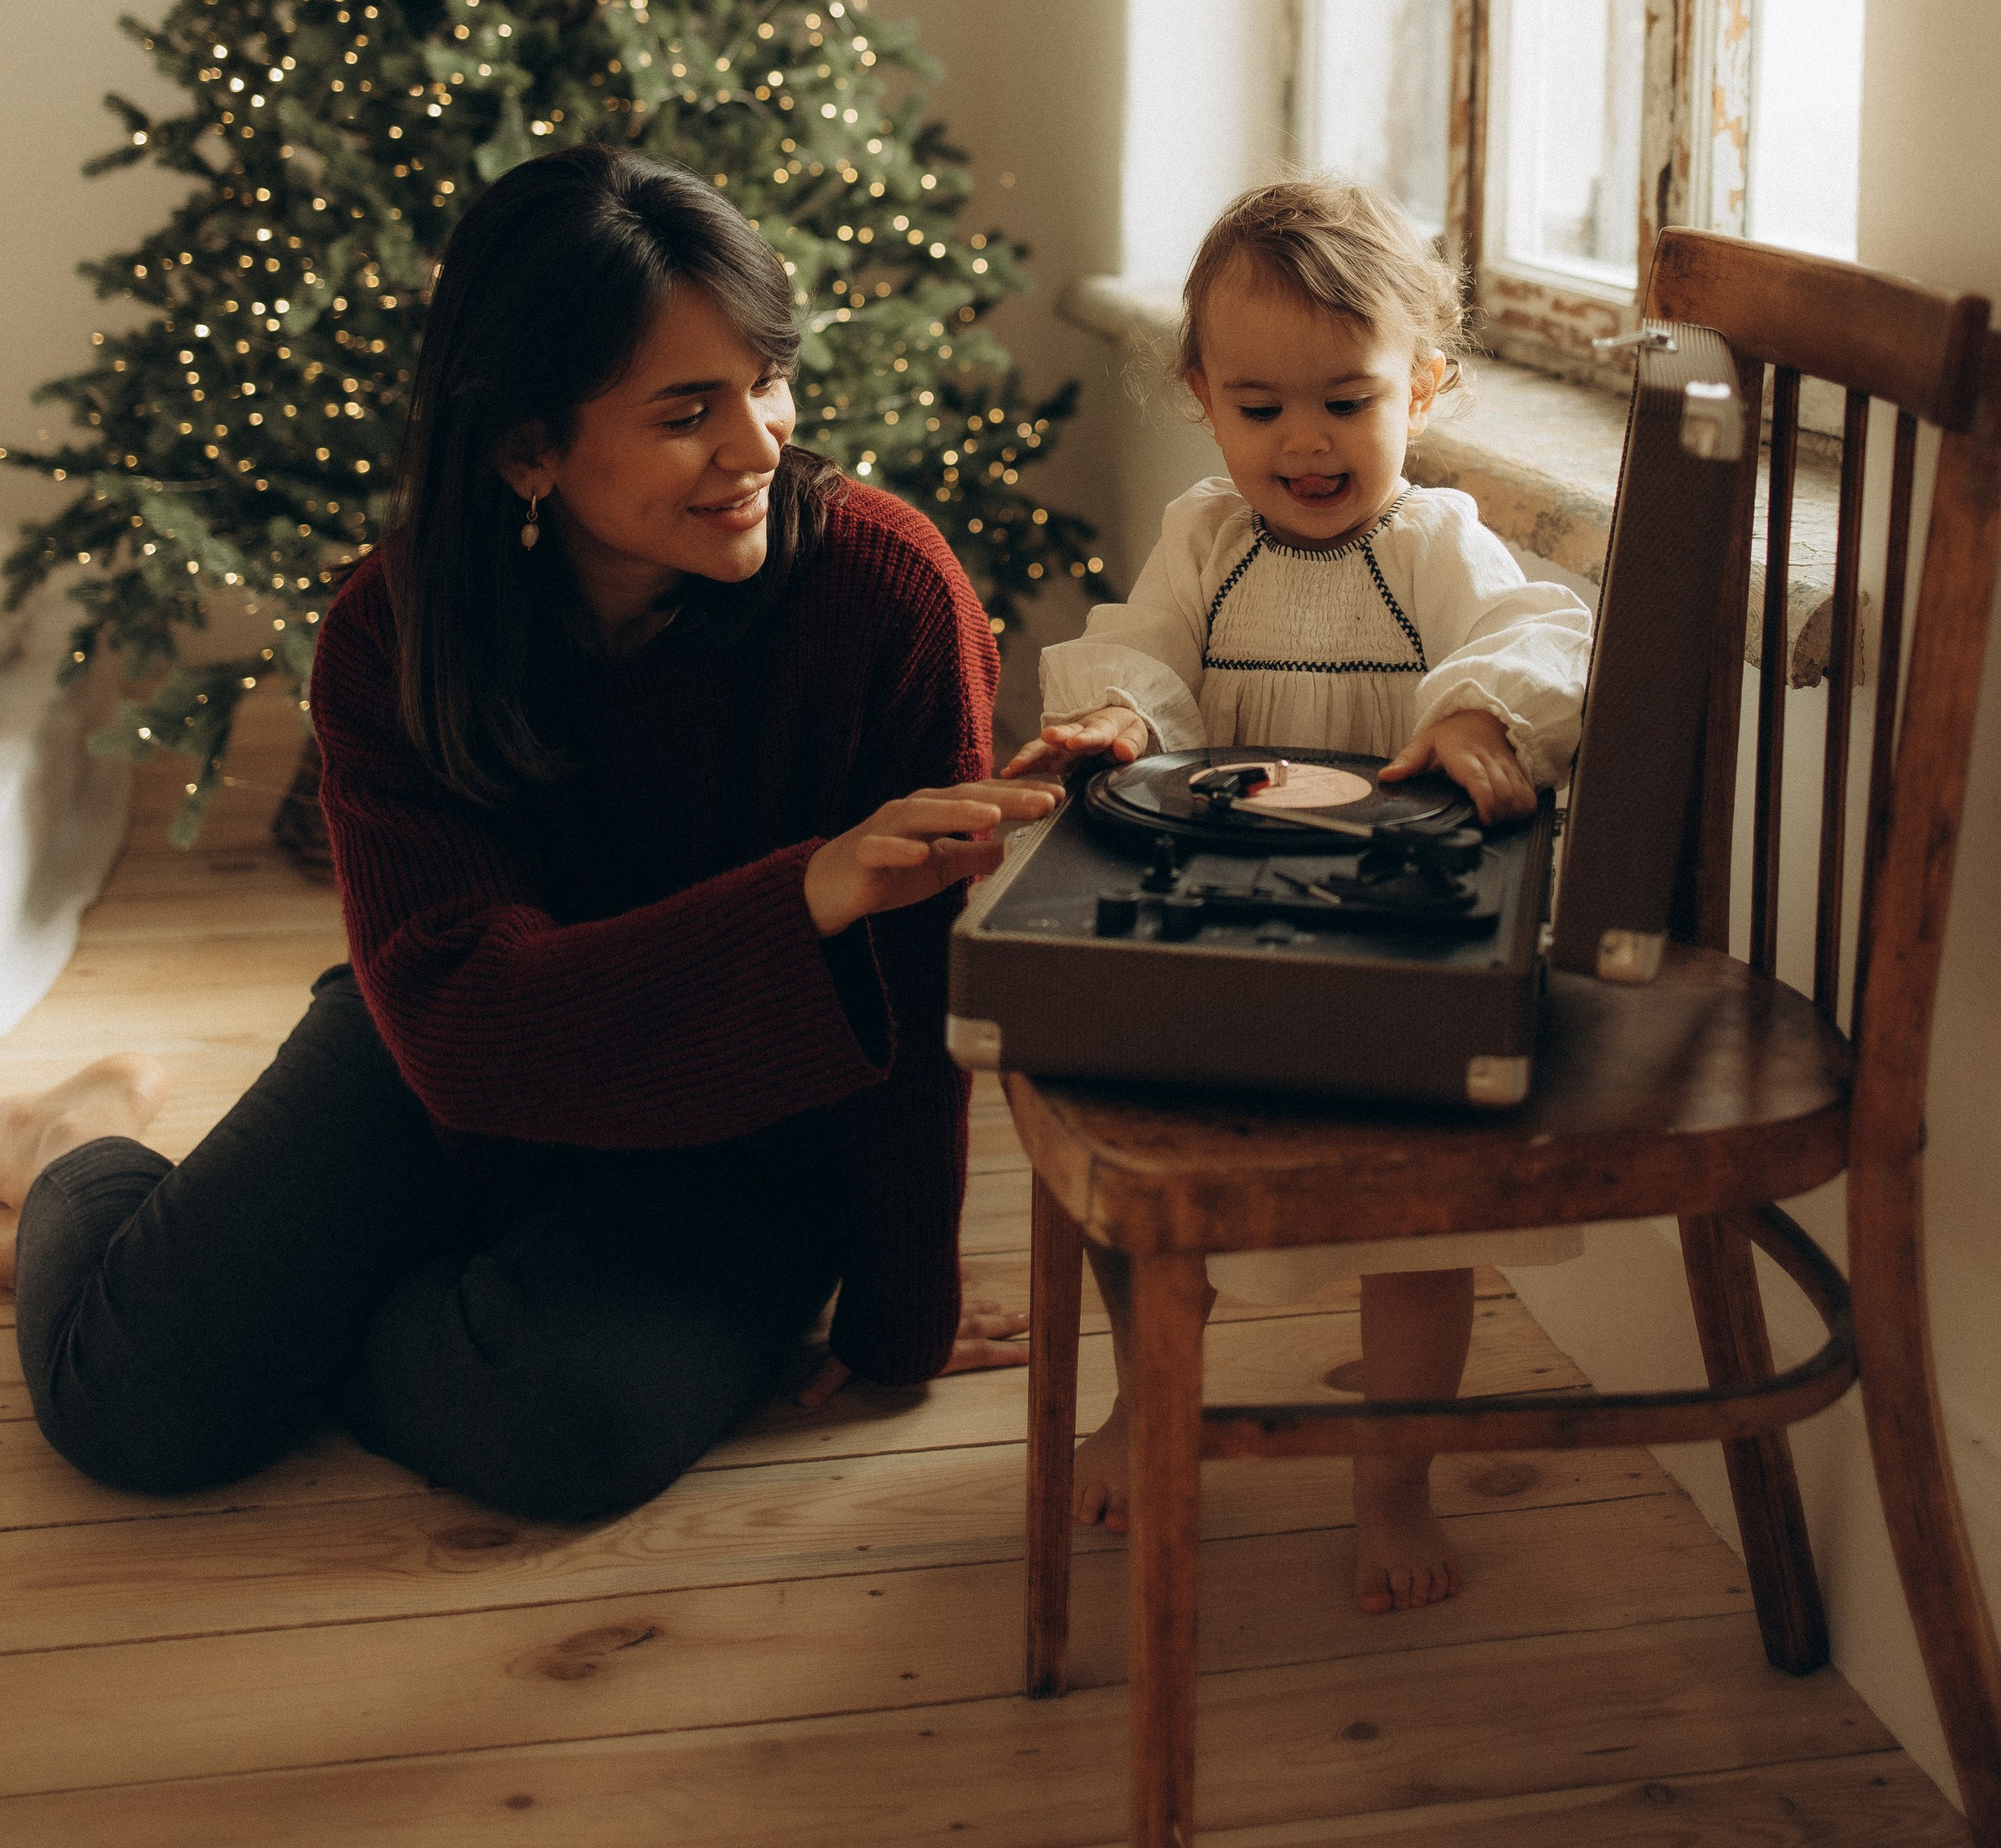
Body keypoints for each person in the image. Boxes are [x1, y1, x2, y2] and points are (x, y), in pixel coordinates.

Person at [0, 145, 1062, 1519]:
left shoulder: (887, 593)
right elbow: (458, 1017)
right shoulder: (392, 632)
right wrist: (802, 894)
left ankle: (308, 1310)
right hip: (455, 1056)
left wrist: (899, 1314)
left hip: (738, 1130)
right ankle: (74, 1140)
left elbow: (917, 998)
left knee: (562, 1427)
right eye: (688, 413)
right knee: (128, 1408)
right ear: (524, 447)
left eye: (768, 383)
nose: (757, 446)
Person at [1006, 178, 1592, 1618]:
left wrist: (1475, 718)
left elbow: (1539, 628)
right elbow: (1142, 650)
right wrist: (1124, 726)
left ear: (1427, 385)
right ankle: (1148, 1403)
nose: (1307, 442)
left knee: (1415, 1224)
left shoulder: (1435, 546)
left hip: (1391, 933)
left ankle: (1393, 1475)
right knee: (1149, 1185)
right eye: (1260, 407)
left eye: (1348, 399)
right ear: (1203, 396)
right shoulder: (1205, 540)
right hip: (1219, 916)